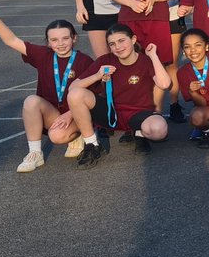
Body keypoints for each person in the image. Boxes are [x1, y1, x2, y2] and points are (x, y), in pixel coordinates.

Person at [0, 8, 94, 172]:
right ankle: (35, 153)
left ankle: (78, 136)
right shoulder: (44, 55)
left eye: (65, 38)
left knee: (57, 137)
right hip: (53, 114)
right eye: (54, 40)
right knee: (31, 101)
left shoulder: (85, 61)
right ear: (48, 42)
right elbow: (12, 41)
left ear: (74, 39)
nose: (61, 43)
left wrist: (70, 113)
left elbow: (92, 96)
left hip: (76, 115)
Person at [64, 24, 172, 168]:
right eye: (112, 44)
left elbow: (164, 84)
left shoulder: (146, 60)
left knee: (159, 130)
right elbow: (73, 88)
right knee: (76, 94)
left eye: (122, 41)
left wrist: (153, 56)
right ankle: (92, 145)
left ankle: (139, 133)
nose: (118, 47)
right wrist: (97, 75)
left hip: (139, 114)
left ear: (133, 40)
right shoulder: (105, 61)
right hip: (111, 113)